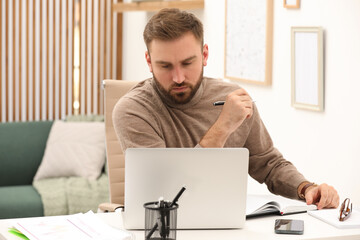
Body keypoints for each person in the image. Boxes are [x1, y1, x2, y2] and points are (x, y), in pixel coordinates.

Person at [113, 8, 339, 209]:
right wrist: (222, 127)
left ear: (204, 55)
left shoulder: (232, 98)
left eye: (187, 63)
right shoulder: (133, 110)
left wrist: (307, 188)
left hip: (229, 226)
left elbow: (268, 164)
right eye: (165, 66)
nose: (179, 77)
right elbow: (167, 192)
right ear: (149, 61)